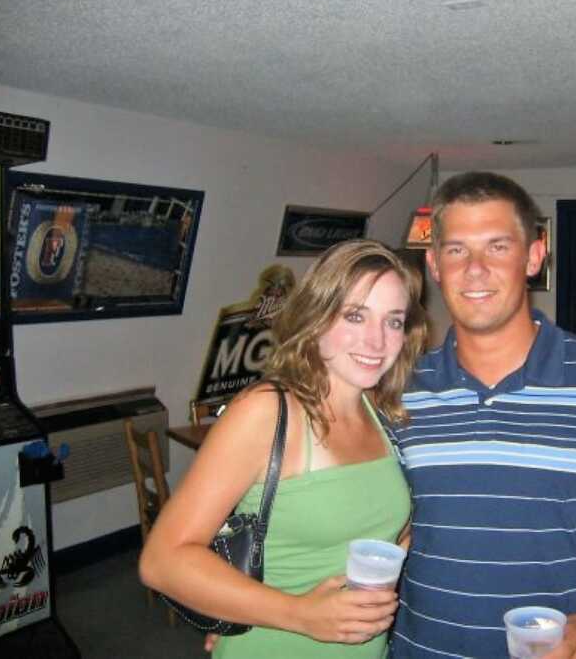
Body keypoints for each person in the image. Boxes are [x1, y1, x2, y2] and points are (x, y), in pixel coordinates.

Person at [388, 172, 576, 658]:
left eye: (497, 246)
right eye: (456, 250)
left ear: (534, 256)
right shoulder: (401, 390)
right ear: (433, 264)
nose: (474, 269)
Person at [140, 239, 428, 659]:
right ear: (316, 318)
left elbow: (389, 530)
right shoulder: (268, 411)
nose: (376, 340)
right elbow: (162, 561)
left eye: (393, 321)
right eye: (354, 315)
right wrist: (300, 614)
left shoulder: (380, 413)